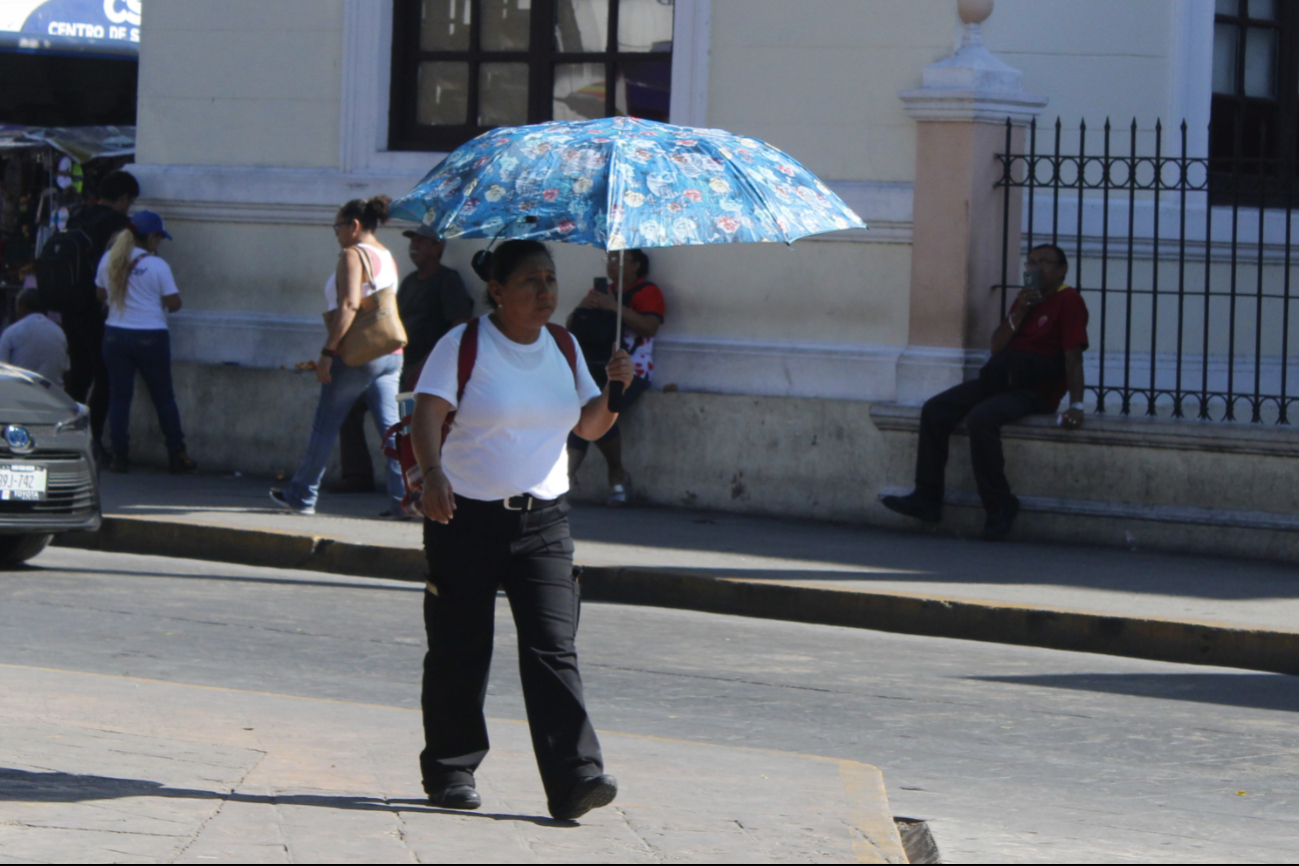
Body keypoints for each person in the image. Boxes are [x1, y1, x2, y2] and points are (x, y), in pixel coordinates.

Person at [409, 239, 630, 820]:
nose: (545, 292)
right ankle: (452, 770)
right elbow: (426, 413)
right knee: (461, 648)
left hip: (545, 520)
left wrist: (615, 389)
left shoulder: (563, 344)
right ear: (498, 292)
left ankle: (576, 778)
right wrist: (432, 475)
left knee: (553, 648)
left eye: (551, 280)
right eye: (531, 281)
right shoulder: (464, 344)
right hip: (465, 518)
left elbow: (588, 425)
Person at [882, 244, 1089, 541]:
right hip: (1002, 378)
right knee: (935, 409)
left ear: (1062, 269)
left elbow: (1073, 356)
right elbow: (996, 345)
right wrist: (1021, 310)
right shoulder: (1024, 300)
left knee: (982, 419)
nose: (1034, 268)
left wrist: (1077, 405)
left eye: (1044, 263)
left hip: (1036, 389)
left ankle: (999, 505)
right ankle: (926, 498)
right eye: (1030, 262)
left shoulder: (1069, 301)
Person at [270, 196, 405, 517]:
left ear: (354, 225)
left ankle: (301, 496)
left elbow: (348, 305)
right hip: (390, 352)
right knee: (392, 430)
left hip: (358, 354)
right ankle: (406, 499)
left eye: (338, 226)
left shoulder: (352, 254)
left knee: (325, 425)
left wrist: (328, 352)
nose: (336, 233)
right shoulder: (386, 255)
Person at [332, 223, 473, 494]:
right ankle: (357, 474)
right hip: (396, 363)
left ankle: (412, 485)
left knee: (403, 419)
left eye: (422, 242)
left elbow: (459, 327)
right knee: (349, 403)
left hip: (427, 370)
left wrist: (425, 366)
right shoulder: (409, 282)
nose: (414, 246)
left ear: (438, 248)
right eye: (413, 241)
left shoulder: (447, 280)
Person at [95, 209, 197, 475]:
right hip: (151, 336)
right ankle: (177, 454)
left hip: (115, 335)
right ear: (150, 237)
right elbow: (174, 304)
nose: (159, 243)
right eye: (159, 238)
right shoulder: (157, 265)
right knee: (164, 398)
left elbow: (100, 294)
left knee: (119, 397)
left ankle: (119, 456)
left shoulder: (109, 259)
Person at [566, 249, 664, 506]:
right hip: (595, 366)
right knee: (584, 413)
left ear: (637, 265)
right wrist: (580, 308)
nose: (611, 264)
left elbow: (649, 327)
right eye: (609, 259)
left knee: (599, 410)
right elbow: (571, 328)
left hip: (632, 369)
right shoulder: (600, 293)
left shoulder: (647, 292)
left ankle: (606, 474)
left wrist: (614, 307)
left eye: (619, 260)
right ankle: (568, 478)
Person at [63, 170, 138, 460]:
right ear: (123, 199)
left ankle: (70, 435)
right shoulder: (119, 226)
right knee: (104, 376)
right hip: (97, 308)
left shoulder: (78, 215)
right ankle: (93, 440)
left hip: (70, 306)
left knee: (79, 374)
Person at [0, 287, 69, 386]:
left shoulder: (12, 331)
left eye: (16, 306)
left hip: (22, 392)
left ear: (22, 306)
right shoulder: (59, 332)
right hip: (52, 395)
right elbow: (65, 371)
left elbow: (2, 369)